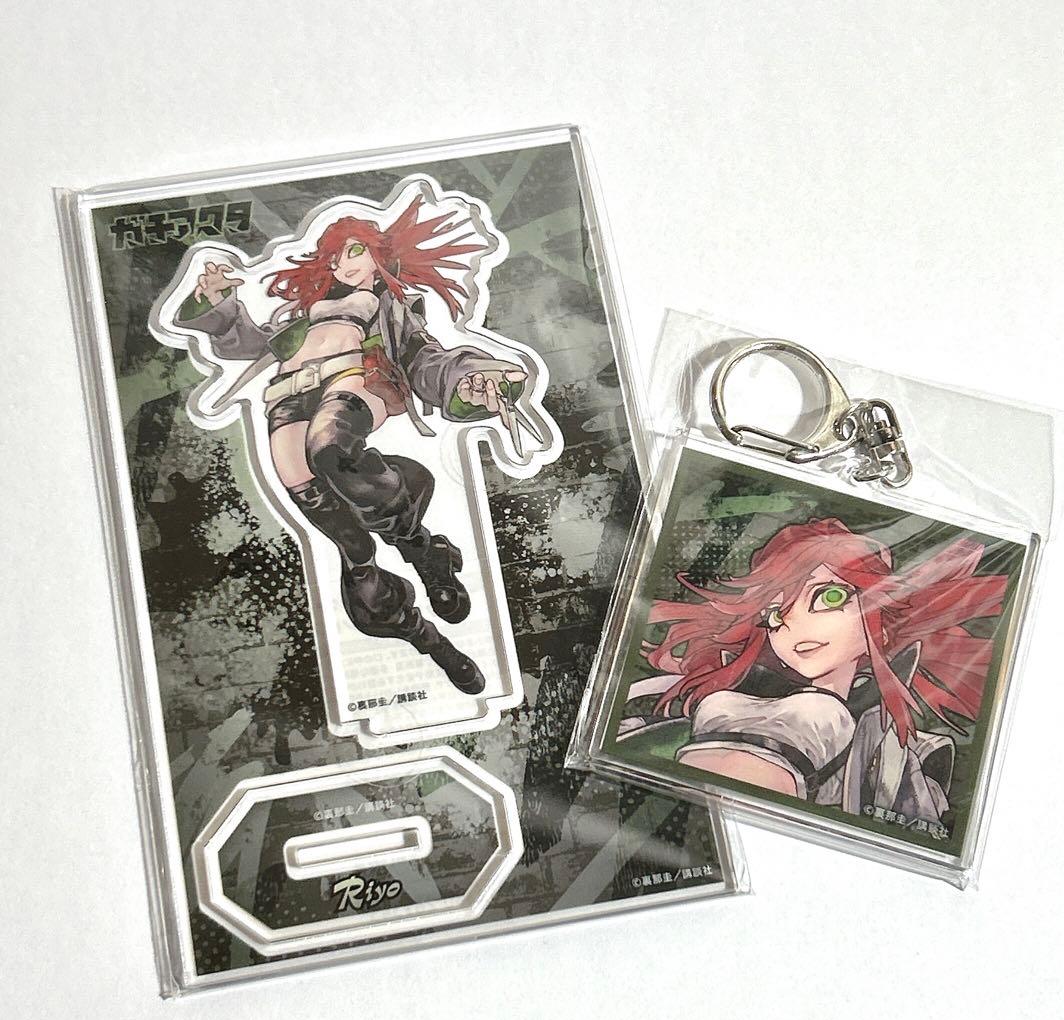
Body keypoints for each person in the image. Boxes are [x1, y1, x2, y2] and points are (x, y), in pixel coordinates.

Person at [174, 196, 532, 694]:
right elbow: (250, 343)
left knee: (331, 449)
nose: (343, 263)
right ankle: (430, 637)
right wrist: (219, 304)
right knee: (352, 548)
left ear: (378, 253)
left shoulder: (390, 306)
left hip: (354, 380)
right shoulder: (302, 312)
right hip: (286, 398)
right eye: (335, 255)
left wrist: (468, 379)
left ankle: (421, 550)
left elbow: (424, 357)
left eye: (354, 250)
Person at [621, 518, 1008, 826]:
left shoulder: (904, 748)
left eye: (829, 597)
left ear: (881, 621)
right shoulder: (751, 706)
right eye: (775, 613)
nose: (792, 624)